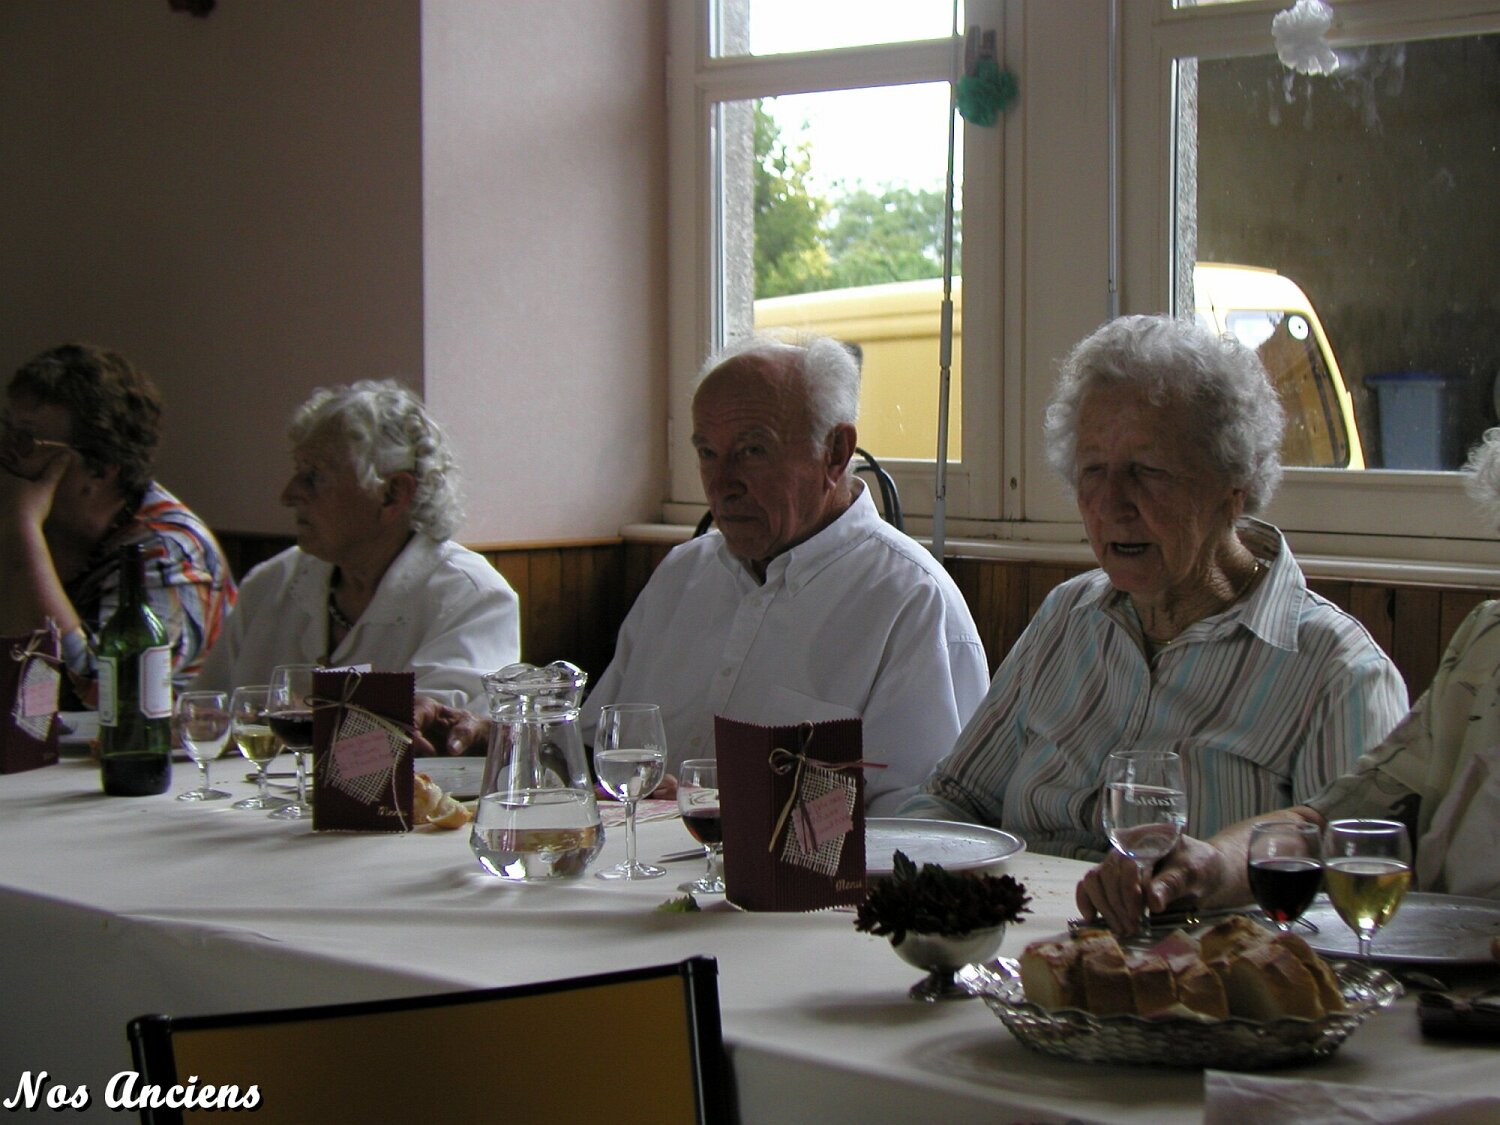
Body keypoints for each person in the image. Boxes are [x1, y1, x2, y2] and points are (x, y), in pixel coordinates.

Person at [898, 314, 1408, 857]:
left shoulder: (1339, 674)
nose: (1112, 504)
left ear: (1233, 485)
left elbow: (1350, 882)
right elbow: (956, 799)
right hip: (1025, 908)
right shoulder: (1068, 617)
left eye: (1149, 470)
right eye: (1093, 469)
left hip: (1195, 915)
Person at [1078, 426, 1500, 929]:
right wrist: (1211, 865)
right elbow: (1332, 819)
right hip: (1442, 966)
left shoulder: (1341, 662)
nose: (1113, 501)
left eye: (1150, 471)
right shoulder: (1487, 642)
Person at [579, 334, 989, 813]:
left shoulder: (913, 602)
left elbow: (926, 827)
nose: (722, 484)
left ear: (835, 452)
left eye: (753, 451)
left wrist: (731, 813)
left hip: (800, 869)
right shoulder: (682, 575)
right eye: (707, 452)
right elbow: (598, 749)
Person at [190, 380, 518, 711]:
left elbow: (430, 730)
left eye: (314, 475)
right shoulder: (270, 584)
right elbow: (206, 715)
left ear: (391, 494)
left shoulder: (470, 598)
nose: (288, 494)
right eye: (298, 471)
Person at [0, 343, 235, 702]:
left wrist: (22, 530)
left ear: (101, 470)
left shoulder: (169, 550)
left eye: (26, 440)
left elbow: (107, 693)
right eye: (6, 428)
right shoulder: (49, 526)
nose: (6, 451)